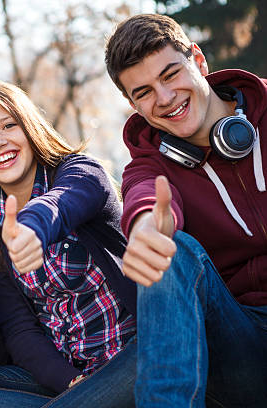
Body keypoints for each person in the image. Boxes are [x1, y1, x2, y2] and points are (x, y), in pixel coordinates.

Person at [0, 80, 138, 408]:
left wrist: (32, 228)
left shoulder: (82, 172)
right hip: (67, 378)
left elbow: (62, 203)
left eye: (8, 125)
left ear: (29, 125)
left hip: (130, 359)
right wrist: (71, 382)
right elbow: (19, 328)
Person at [105, 13, 267, 407]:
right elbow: (145, 197)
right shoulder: (149, 164)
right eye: (143, 92)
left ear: (198, 60)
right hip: (242, 343)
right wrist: (147, 231)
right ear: (133, 105)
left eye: (170, 74)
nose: (164, 98)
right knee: (170, 250)